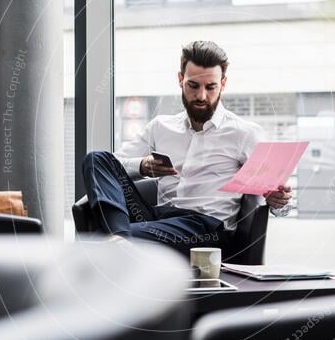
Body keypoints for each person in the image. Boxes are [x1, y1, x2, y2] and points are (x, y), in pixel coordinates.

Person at [82, 40, 292, 254]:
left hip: (205, 229)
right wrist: (143, 166)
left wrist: (279, 202)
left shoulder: (245, 133)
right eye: (193, 86)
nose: (202, 96)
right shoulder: (160, 126)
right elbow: (112, 167)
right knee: (96, 158)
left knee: (97, 241)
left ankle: (117, 240)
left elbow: (277, 200)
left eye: (211, 87)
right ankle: (119, 237)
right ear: (180, 80)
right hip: (156, 219)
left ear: (223, 84)